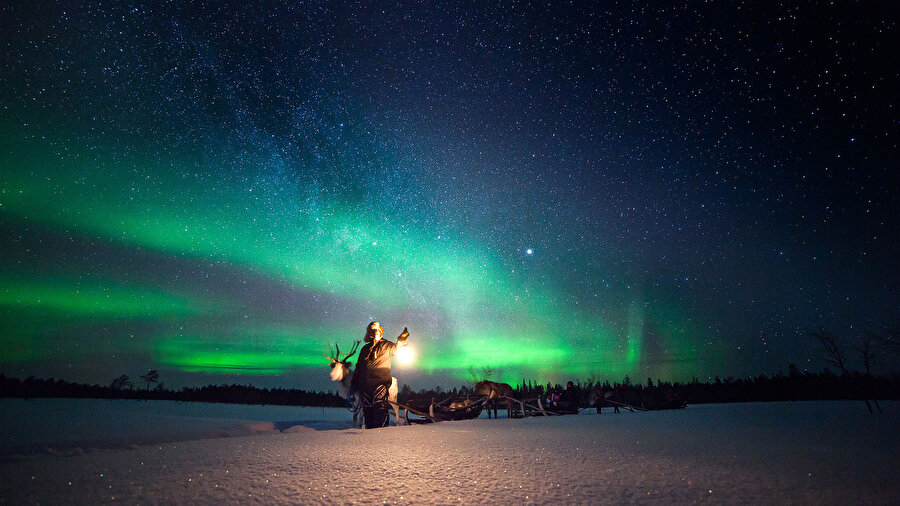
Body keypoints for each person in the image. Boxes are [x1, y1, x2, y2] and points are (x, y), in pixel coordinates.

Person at [351, 321, 409, 428]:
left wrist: (401, 340)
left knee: (379, 406)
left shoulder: (386, 346)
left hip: (380, 383)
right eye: (371, 331)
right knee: (367, 409)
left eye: (375, 331)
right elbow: (359, 366)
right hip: (365, 385)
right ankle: (370, 434)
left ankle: (382, 433)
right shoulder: (365, 349)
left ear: (380, 332)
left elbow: (396, 348)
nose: (373, 333)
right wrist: (354, 382)